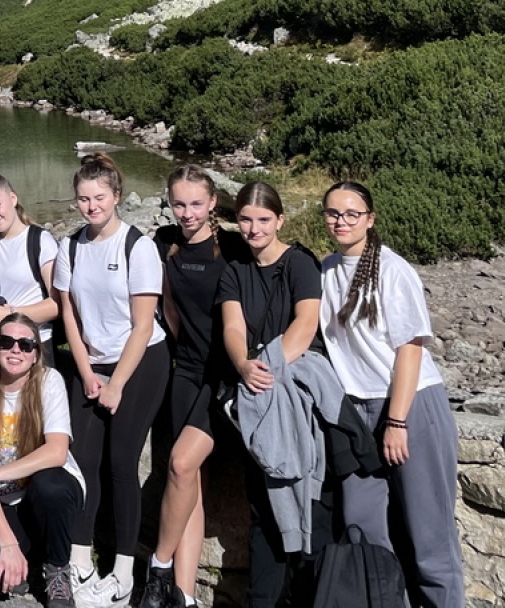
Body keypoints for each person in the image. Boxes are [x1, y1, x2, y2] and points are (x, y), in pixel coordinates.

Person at [319, 181, 464, 608]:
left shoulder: (393, 269)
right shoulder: (326, 270)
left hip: (409, 404)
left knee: (429, 535)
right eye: (333, 213)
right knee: (363, 528)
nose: (341, 221)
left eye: (352, 213)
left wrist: (396, 420)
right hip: (355, 410)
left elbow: (410, 348)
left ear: (370, 219)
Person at [53, 153, 169, 608]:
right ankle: (81, 559)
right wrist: (86, 372)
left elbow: (143, 325)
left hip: (139, 362)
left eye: (99, 197)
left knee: (121, 462)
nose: (91, 206)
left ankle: (123, 573)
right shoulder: (70, 247)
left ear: (117, 196)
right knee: (81, 461)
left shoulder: (137, 247)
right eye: (83, 199)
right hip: (93, 361)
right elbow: (69, 315)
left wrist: (116, 383)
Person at [216, 180, 325, 608]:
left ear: (280, 220)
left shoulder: (299, 263)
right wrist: (244, 364)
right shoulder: (235, 271)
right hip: (257, 392)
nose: (254, 228)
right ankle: (263, 599)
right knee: (262, 505)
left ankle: (307, 595)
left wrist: (270, 364)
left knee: (308, 499)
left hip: (298, 395)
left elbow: (306, 323)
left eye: (263, 219)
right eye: (246, 219)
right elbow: (232, 325)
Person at [142, 166, 247, 608]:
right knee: (191, 483)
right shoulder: (164, 242)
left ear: (213, 203)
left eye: (196, 204)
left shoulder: (233, 247)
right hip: (184, 372)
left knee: (181, 464)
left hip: (222, 377)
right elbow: (165, 306)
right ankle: (184, 596)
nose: (187, 213)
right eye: (179, 203)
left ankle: (159, 567)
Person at [0, 312, 85, 608]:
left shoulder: (49, 381)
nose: (16, 350)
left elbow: (57, 451)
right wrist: (7, 543)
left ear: (36, 353)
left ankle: (57, 569)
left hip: (49, 492)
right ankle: (28, 555)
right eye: (6, 342)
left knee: (50, 486)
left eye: (25, 344)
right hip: (2, 500)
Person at [0, 169, 58, 356]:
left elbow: (56, 305)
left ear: (13, 198)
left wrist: (10, 315)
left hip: (34, 347)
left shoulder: (40, 242)